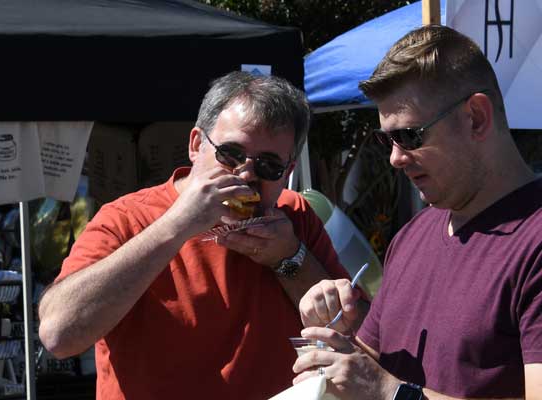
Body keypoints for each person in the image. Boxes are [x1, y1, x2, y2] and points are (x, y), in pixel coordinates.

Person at [38, 71, 364, 399]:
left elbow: (360, 335)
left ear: (287, 173)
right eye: (231, 154)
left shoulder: (294, 218)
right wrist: (176, 225)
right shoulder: (126, 218)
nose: (246, 173)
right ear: (196, 145)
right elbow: (58, 335)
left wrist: (290, 259)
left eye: (268, 166)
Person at [292, 25, 542, 400]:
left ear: (476, 117)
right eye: (386, 139)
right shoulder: (414, 234)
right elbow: (376, 370)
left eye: (409, 136)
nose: (394, 157)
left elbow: (386, 388)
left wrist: (392, 393)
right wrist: (337, 347)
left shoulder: (534, 240)